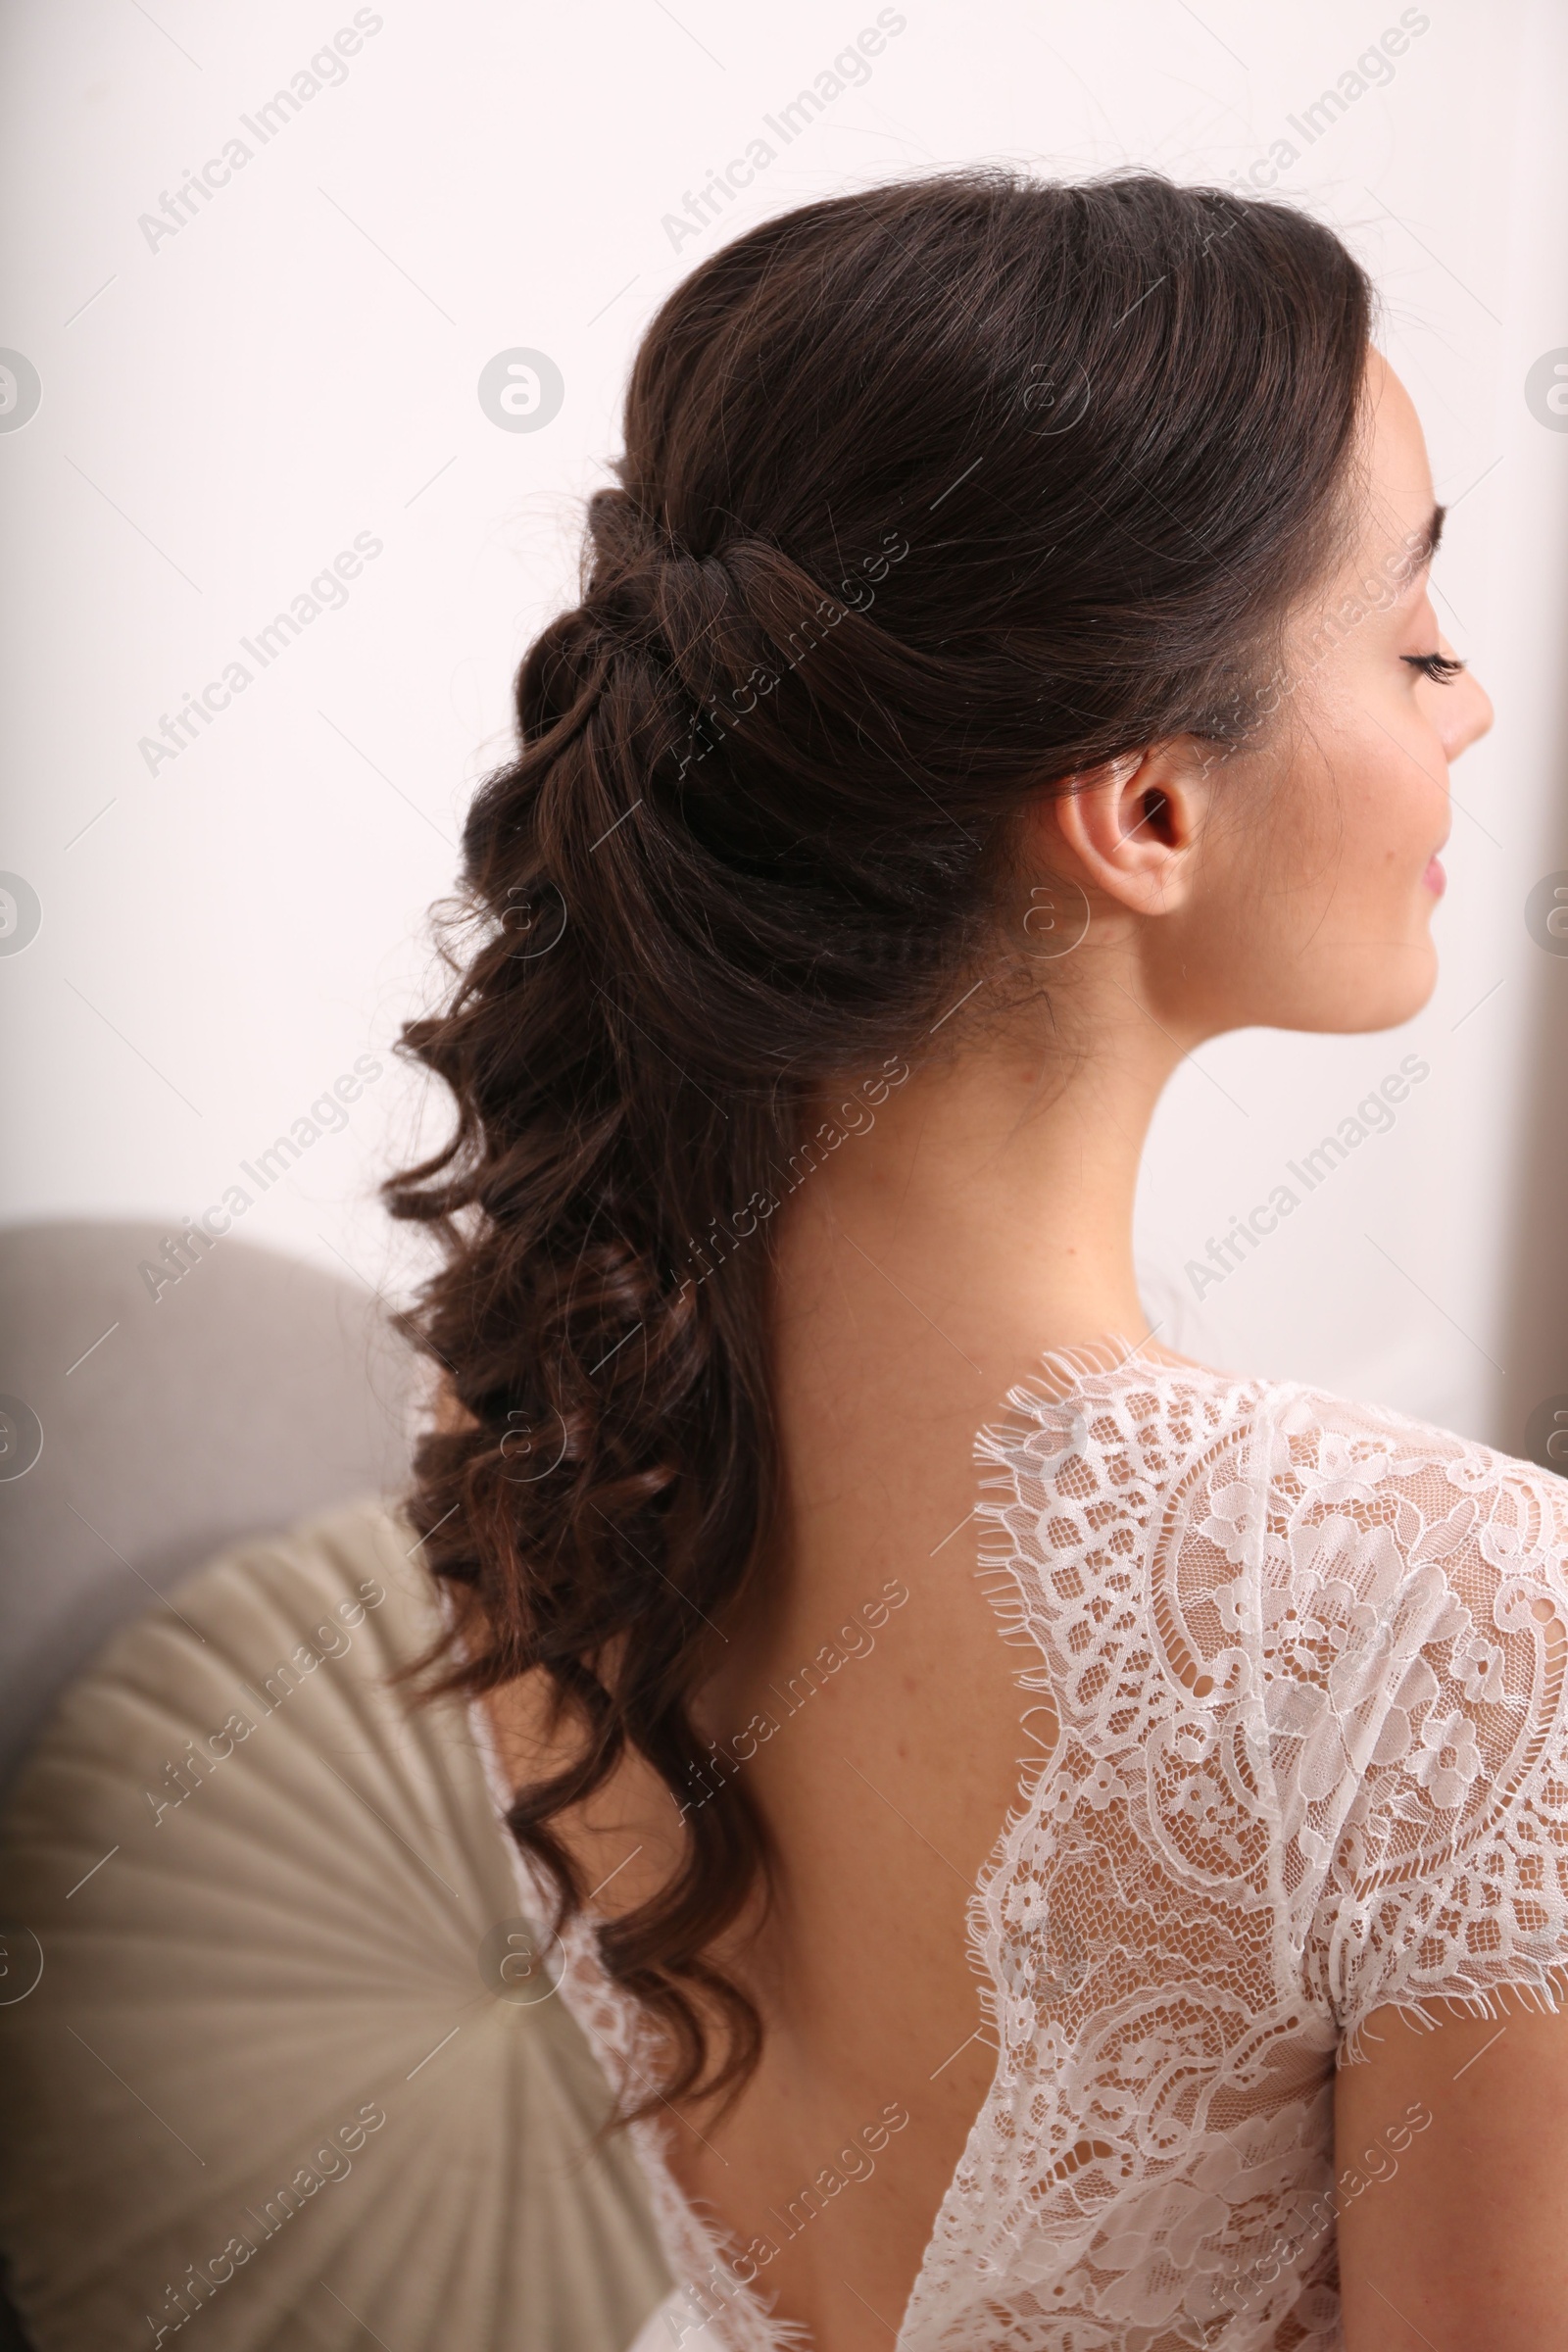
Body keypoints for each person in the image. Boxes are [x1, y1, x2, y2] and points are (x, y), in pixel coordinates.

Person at [384, 172, 1568, 2351]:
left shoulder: (547, 1441)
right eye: (1409, 641)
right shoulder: (1450, 1621)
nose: (1468, 707)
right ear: (1140, 814)